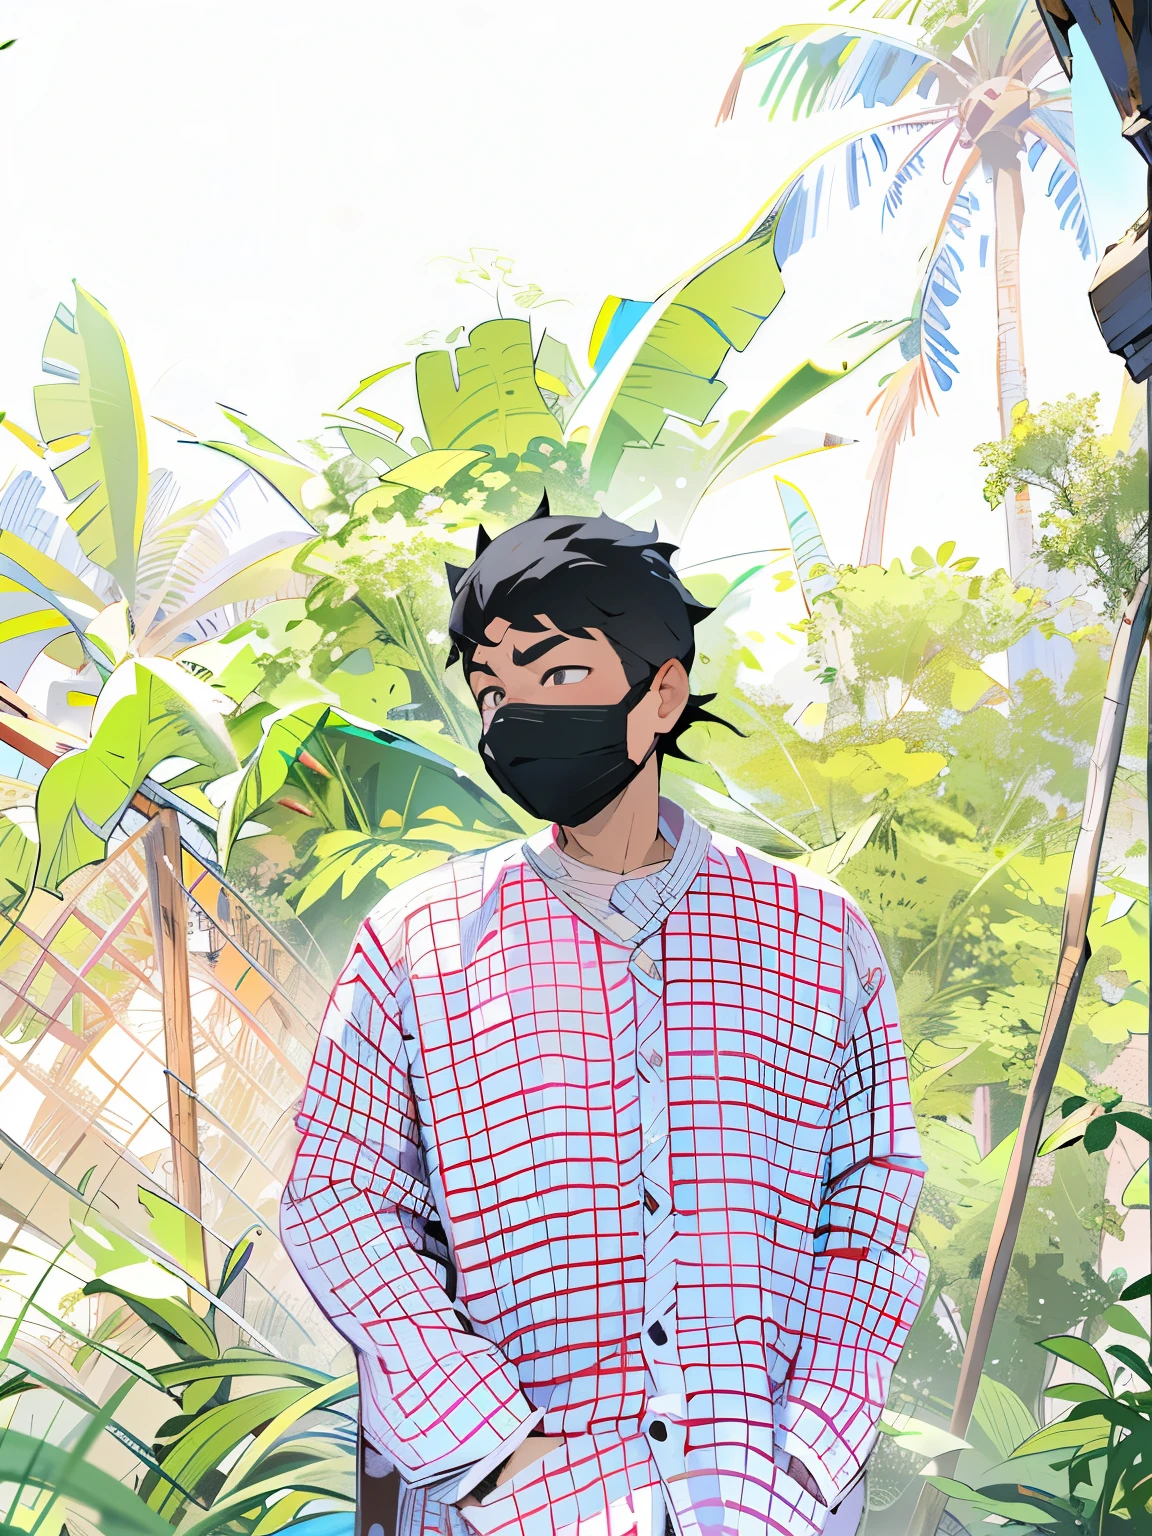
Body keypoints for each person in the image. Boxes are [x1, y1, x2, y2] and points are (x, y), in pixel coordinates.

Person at [281, 499, 927, 1536]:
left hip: (755, 1503)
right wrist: (487, 1451)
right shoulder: (417, 941)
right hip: (522, 1510)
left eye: (558, 676)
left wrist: (806, 1459)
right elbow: (341, 1202)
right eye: (493, 689)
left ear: (661, 692)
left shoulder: (819, 937)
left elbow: (871, 1208)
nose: (516, 714)